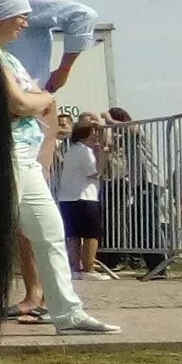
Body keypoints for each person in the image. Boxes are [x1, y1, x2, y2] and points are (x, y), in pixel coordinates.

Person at [0, 0, 117, 336]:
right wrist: (44, 99)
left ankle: (68, 312)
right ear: (0, 17)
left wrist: (37, 100)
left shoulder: (5, 56)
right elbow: (20, 104)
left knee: (50, 232)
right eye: (19, 15)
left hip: (20, 155)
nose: (25, 22)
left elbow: (28, 100)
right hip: (3, 154)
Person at [51, 113, 106, 281]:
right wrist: (102, 156)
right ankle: (89, 268)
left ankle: (75, 268)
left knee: (73, 234)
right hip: (85, 196)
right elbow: (95, 173)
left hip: (67, 197)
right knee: (91, 234)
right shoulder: (85, 151)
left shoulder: (70, 150)